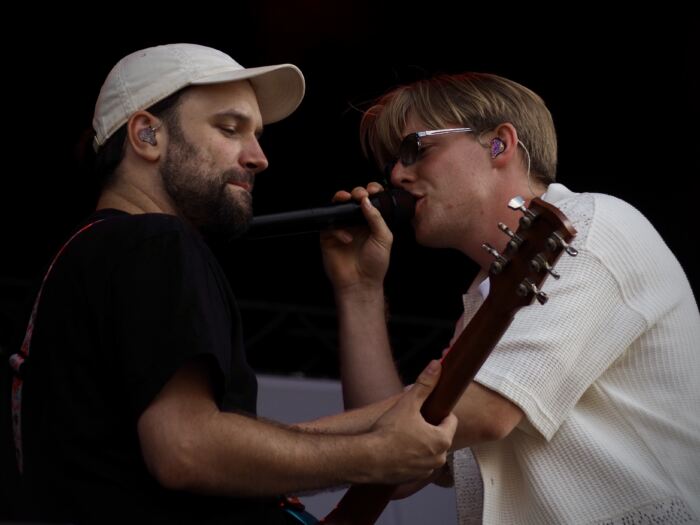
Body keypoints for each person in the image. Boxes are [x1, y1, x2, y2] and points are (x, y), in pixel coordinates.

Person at [7, 43, 458, 524]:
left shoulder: (87, 252)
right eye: (229, 128)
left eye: (258, 135)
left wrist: (359, 293)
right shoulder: (156, 241)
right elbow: (186, 448)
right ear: (146, 134)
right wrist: (375, 455)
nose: (259, 157)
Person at [321, 71, 700, 524]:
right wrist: (360, 290)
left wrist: (253, 450)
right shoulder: (487, 295)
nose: (398, 174)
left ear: (499, 144)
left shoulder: (589, 228)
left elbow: (487, 411)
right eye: (393, 162)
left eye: (416, 149)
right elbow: (397, 467)